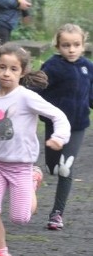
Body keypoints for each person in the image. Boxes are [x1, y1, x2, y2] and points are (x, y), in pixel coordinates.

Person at [0, 43, 70, 256]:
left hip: (21, 167)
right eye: (2, 67)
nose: (6, 73)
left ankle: (34, 181)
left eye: (13, 69)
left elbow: (58, 115)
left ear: (22, 72)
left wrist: (59, 138)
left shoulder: (26, 98)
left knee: (20, 218)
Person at [37, 23, 93, 230]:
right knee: (52, 168)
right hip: (55, 125)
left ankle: (57, 214)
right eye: (66, 45)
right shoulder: (52, 66)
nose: (71, 49)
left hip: (78, 126)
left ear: (83, 45)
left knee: (65, 168)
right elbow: (37, 90)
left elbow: (91, 95)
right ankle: (38, 174)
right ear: (58, 46)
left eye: (76, 45)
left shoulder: (88, 67)